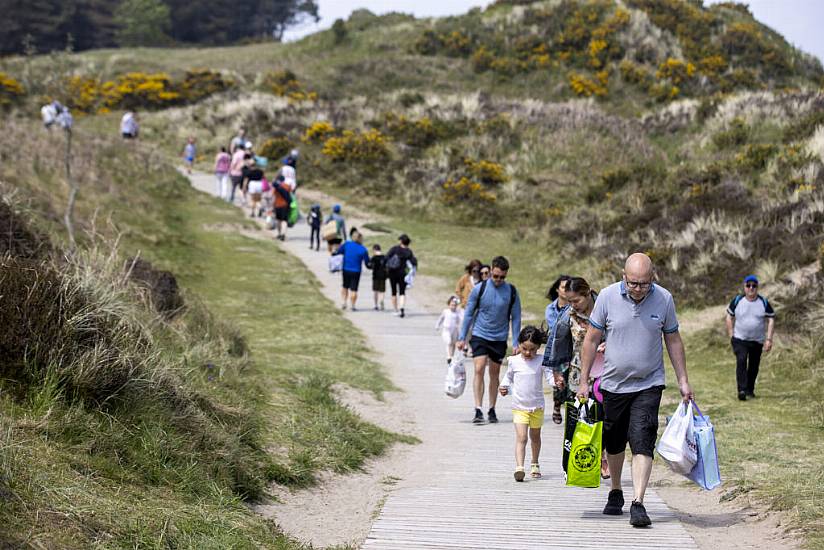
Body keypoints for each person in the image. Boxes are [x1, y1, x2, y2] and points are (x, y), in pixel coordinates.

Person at [576, 253, 693, 528]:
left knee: (642, 437)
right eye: (633, 283)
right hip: (613, 384)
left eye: (644, 283)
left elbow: (673, 340)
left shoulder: (663, 299)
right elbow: (591, 340)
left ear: (652, 277)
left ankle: (638, 502)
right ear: (623, 276)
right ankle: (616, 490)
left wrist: (683, 380)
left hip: (649, 383)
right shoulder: (606, 297)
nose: (638, 289)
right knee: (615, 441)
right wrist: (583, 381)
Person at [545, 277, 609, 479]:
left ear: (588, 293)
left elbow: (621, 331)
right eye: (569, 301)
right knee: (583, 417)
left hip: (606, 371)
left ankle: (603, 456)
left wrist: (610, 344)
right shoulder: (568, 314)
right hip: (578, 373)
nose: (573, 305)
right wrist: (556, 370)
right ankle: (583, 460)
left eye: (576, 300)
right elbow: (556, 341)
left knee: (604, 416)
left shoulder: (606, 309)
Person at [457, 256, 522, 424]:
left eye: (502, 277)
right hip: (480, 334)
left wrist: (516, 342)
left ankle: (492, 408)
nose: (498, 280)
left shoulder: (512, 292)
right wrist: (462, 337)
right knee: (478, 368)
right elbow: (469, 313)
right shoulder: (479, 289)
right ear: (491, 271)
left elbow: (515, 318)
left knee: (494, 373)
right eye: (496, 276)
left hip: (499, 338)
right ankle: (478, 409)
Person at [499, 326, 550, 481]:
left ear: (539, 347)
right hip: (519, 407)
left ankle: (534, 463)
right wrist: (504, 386)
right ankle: (519, 467)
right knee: (522, 437)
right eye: (524, 349)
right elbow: (508, 377)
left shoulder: (541, 361)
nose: (528, 353)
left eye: (532, 350)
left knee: (535, 437)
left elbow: (549, 376)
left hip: (537, 406)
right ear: (519, 344)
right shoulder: (514, 361)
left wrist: (557, 382)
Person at [726, 275, 775, 401]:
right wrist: (731, 335)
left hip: (757, 341)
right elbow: (729, 316)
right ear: (744, 287)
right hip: (739, 339)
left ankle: (750, 389)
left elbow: (771, 319)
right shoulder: (738, 300)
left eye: (754, 285)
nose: (751, 288)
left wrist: (769, 339)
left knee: (754, 366)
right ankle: (741, 390)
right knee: (741, 360)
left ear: (757, 287)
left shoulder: (763, 302)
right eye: (748, 285)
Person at [543, 275, 572, 424]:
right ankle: (557, 404)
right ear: (557, 289)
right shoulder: (551, 309)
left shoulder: (575, 306)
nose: (566, 291)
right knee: (560, 376)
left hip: (573, 347)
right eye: (563, 287)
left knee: (571, 377)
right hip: (558, 347)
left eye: (568, 287)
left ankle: (570, 407)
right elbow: (556, 329)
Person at [333, 231, 370, 311]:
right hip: (356, 271)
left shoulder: (347, 244)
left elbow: (339, 251)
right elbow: (367, 262)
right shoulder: (363, 249)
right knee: (354, 289)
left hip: (346, 269)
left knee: (345, 286)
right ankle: (352, 305)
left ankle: (344, 302)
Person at [385, 234, 418, 318]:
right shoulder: (409, 252)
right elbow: (413, 262)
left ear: (401, 241)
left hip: (392, 272)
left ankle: (396, 310)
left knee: (393, 292)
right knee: (402, 292)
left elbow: (386, 258)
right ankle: (402, 308)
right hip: (403, 273)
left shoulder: (394, 249)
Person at [435, 296, 462, 365]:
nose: (453, 307)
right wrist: (437, 325)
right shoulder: (446, 311)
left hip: (455, 330)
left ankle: (451, 357)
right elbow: (441, 319)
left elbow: (460, 320)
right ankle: (448, 356)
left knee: (453, 344)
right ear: (448, 305)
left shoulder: (457, 313)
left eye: (455, 305)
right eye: (452, 305)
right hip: (446, 330)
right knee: (449, 342)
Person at [272, 174, 291, 240]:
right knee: (285, 221)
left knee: (278, 220)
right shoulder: (287, 186)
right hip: (285, 205)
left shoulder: (276, 187)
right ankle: (283, 234)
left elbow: (274, 196)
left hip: (277, 205)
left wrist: (272, 206)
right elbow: (290, 195)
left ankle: (279, 234)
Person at [368, 244, 387, 310]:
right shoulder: (384, 257)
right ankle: (381, 300)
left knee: (375, 291)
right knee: (382, 291)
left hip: (375, 276)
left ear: (374, 250)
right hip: (383, 276)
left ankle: (376, 305)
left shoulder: (373, 258)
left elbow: (370, 266)